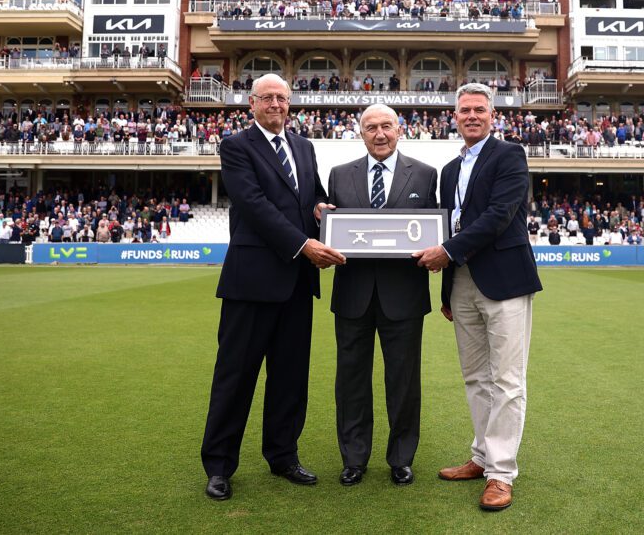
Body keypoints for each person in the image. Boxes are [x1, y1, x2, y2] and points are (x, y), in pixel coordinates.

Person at [201, 74, 346, 501]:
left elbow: (310, 196)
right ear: (252, 103)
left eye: (283, 98)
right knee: (235, 377)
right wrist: (303, 244)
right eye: (268, 98)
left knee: (290, 379)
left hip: (297, 285)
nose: (277, 105)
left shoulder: (303, 146)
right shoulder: (236, 146)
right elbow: (254, 206)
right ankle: (219, 467)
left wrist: (321, 208)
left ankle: (283, 456)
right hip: (252, 281)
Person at [414, 82, 542, 512]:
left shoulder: (510, 155)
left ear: (493, 115)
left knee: (507, 379)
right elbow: (445, 225)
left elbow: (499, 215)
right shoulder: (449, 169)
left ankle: (501, 473)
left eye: (479, 110)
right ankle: (482, 455)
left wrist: (448, 251)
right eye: (464, 110)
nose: (471, 116)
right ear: (454, 116)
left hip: (504, 279)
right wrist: (447, 284)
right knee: (476, 377)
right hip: (463, 281)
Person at [325, 104, 438, 487]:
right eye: (371, 127)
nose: (379, 133)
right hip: (353, 295)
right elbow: (334, 227)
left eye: (386, 126)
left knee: (404, 382)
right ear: (361, 133)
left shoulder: (425, 174)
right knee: (351, 381)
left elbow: (431, 230)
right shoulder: (340, 175)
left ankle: (401, 458)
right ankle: (354, 458)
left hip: (404, 296)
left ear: (399, 129)